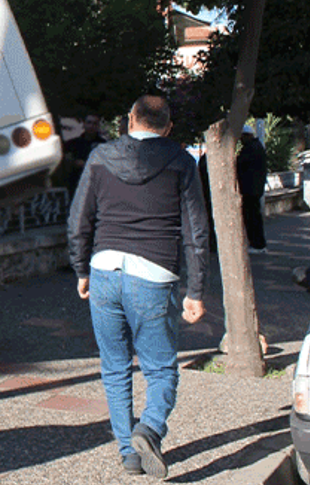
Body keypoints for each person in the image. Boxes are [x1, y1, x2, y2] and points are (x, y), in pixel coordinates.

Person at [68, 95, 209, 478]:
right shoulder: (181, 161)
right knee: (161, 368)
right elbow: (196, 231)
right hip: (155, 273)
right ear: (168, 126)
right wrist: (196, 290)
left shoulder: (100, 157)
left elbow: (80, 218)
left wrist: (81, 269)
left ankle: (130, 454)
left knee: (115, 368)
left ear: (130, 120)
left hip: (104, 269)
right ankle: (149, 428)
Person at [237, 124, 268, 253]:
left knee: (252, 218)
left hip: (250, 189)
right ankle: (258, 243)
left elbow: (240, 164)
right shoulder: (257, 147)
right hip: (254, 189)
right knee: (254, 217)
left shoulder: (251, 149)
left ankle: (257, 244)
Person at [63, 114, 108, 193]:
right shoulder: (72, 144)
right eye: (89, 122)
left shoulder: (105, 145)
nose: (91, 126)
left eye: (95, 123)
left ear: (98, 126)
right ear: (84, 124)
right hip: (76, 185)